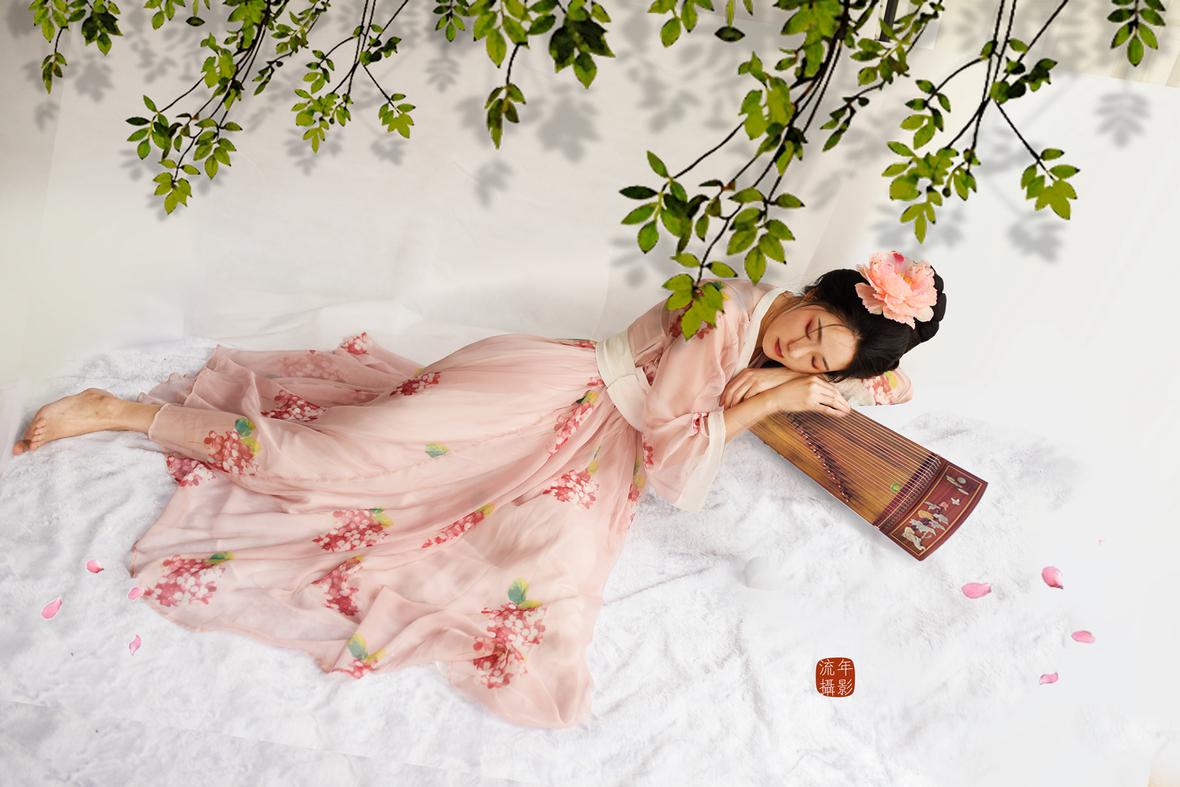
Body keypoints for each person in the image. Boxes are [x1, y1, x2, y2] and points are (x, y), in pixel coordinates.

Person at [7, 251, 945, 728]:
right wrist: (773, 396)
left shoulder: (779, 331)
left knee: (541, 578)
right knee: (334, 461)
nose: (799, 350)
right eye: (812, 329)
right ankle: (124, 412)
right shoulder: (728, 310)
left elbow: (829, 379)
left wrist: (853, 376)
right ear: (814, 291)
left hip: (587, 447)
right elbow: (674, 451)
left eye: (822, 358)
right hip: (546, 389)